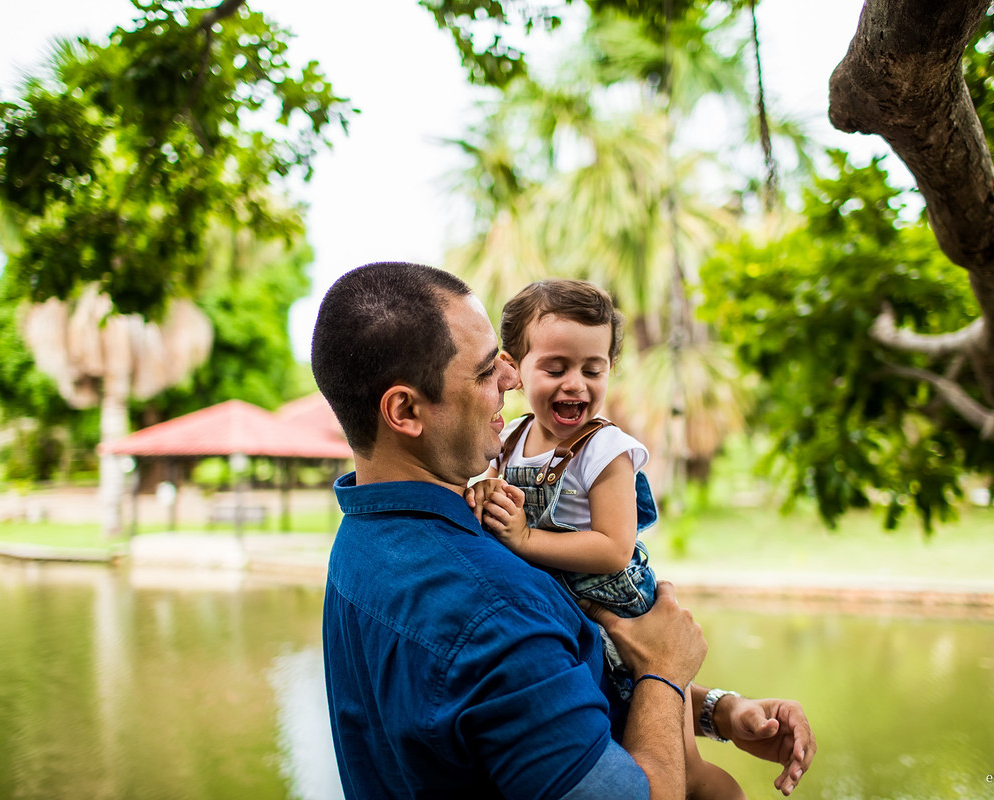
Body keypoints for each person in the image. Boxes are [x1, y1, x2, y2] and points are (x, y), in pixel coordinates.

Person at [311, 261, 815, 799]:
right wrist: (666, 671)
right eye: (486, 372)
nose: (510, 379)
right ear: (405, 409)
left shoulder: (361, 543)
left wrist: (718, 711)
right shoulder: (495, 616)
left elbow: (563, 694)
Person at [465, 278, 743, 799]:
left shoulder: (605, 449)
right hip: (568, 603)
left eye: (593, 370)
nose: (577, 384)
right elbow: (486, 486)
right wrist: (484, 492)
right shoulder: (509, 438)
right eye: (556, 368)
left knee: (684, 765)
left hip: (621, 602)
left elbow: (614, 548)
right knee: (615, 731)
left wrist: (524, 539)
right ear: (512, 369)